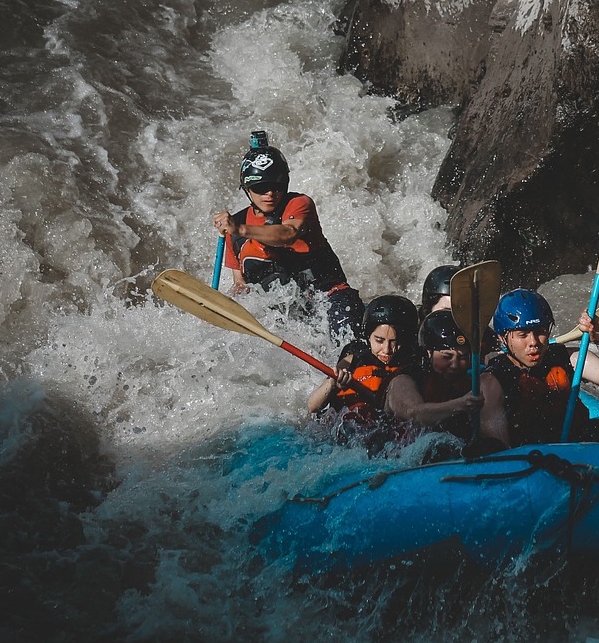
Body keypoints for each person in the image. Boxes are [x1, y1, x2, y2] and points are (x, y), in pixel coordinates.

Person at [212, 131, 363, 341]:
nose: (270, 194)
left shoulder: (300, 204)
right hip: (286, 314)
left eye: (277, 186)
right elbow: (241, 284)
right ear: (247, 189)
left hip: (330, 299)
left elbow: (287, 234)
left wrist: (241, 229)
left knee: (346, 346)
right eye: (261, 187)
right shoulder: (235, 232)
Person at [486, 289, 599, 447]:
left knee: (598, 431)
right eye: (522, 335)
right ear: (502, 338)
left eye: (540, 332)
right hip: (528, 457)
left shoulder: (567, 358)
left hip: (574, 448)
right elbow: (500, 449)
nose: (533, 342)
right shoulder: (493, 381)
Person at [385, 310, 505, 454]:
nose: (455, 365)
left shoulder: (476, 379)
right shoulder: (403, 380)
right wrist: (461, 404)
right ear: (429, 352)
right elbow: (414, 414)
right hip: (398, 457)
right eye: (446, 357)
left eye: (463, 357)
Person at [307, 295, 418, 450]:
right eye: (379, 341)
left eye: (396, 343)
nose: (387, 350)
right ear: (368, 336)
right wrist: (333, 382)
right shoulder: (353, 358)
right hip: (344, 438)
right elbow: (313, 406)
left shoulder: (413, 365)